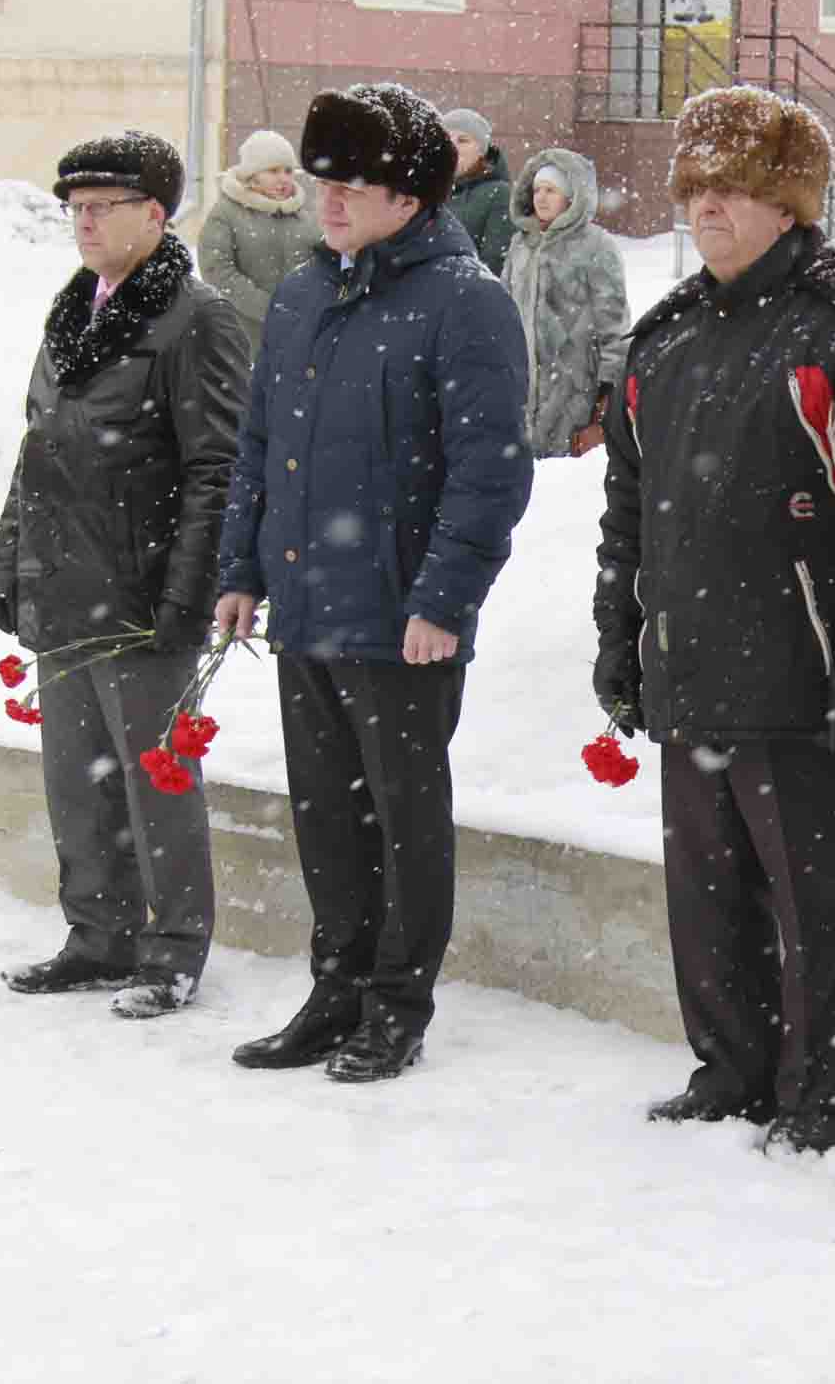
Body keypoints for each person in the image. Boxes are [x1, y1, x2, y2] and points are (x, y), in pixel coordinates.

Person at [595, 86, 835, 1155]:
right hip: (689, 659)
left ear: (789, 205)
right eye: (696, 189)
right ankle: (730, 1067)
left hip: (801, 669)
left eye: (736, 189)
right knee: (704, 891)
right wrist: (620, 630)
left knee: (806, 901)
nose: (710, 208)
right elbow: (629, 507)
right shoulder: (664, 338)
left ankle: (812, 1092)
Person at [220, 83, 534, 1083]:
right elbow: (259, 445)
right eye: (325, 180)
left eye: (355, 181)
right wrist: (241, 569)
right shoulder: (304, 294)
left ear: (410, 195)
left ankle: (397, 1002)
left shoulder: (465, 302)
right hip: (307, 605)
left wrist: (443, 600)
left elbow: (489, 472)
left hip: (401, 619)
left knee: (403, 816)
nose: (332, 199)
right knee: (325, 814)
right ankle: (335, 987)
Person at [0, 131, 250, 1018]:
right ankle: (96, 933)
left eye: (103, 207)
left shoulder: (194, 316)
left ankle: (172, 948)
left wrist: (190, 588)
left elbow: (218, 464)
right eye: (76, 207)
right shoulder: (72, 310)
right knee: (77, 776)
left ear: (155, 214)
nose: (84, 222)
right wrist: (10, 561)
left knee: (155, 781)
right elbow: (41, 445)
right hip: (64, 580)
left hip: (140, 591)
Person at [503, 148, 630, 459]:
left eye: (551, 190)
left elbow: (614, 324)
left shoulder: (596, 246)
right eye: (536, 190)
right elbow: (503, 310)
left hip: (574, 388)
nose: (541, 198)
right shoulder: (521, 244)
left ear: (572, 196)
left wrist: (608, 390)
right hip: (520, 388)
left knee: (563, 487)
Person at [198, 128, 318, 356]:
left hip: (300, 338)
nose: (283, 178)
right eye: (273, 171)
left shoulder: (303, 216)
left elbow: (322, 266)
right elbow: (217, 271)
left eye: (288, 171)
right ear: (251, 175)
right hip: (244, 340)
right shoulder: (226, 213)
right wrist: (269, 308)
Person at [441, 108, 517, 277]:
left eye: (463, 140)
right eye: (447, 140)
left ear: (482, 151)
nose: (453, 147)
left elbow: (495, 260)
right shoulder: (428, 191)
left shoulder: (499, 193)